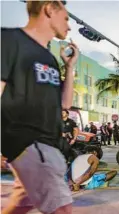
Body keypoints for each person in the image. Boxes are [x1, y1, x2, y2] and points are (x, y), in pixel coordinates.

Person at [1, 1, 77, 213]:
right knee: (62, 208)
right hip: (29, 142)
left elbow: (64, 103)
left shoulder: (49, 58)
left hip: (48, 144)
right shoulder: (8, 40)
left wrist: (69, 67)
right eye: (66, 18)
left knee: (19, 205)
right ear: (50, 9)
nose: (69, 26)